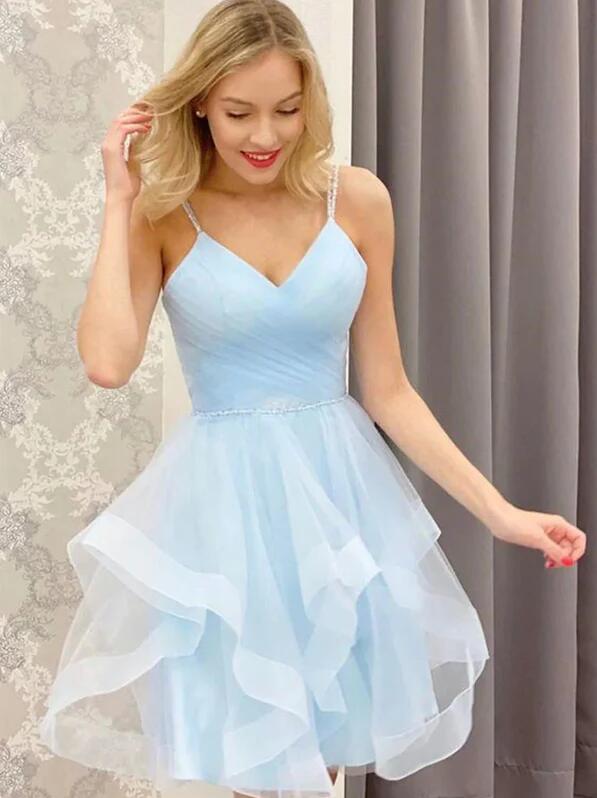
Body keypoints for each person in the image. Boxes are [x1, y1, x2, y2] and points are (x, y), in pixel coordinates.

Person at [38, 1, 586, 797]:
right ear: (200, 104)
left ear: (310, 103)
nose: (265, 135)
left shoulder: (357, 201)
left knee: (322, 757)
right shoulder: (165, 214)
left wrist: (501, 514)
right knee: (253, 761)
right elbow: (107, 363)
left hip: (340, 512)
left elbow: (388, 390)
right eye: (239, 113)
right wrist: (119, 199)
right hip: (226, 521)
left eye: (286, 110)